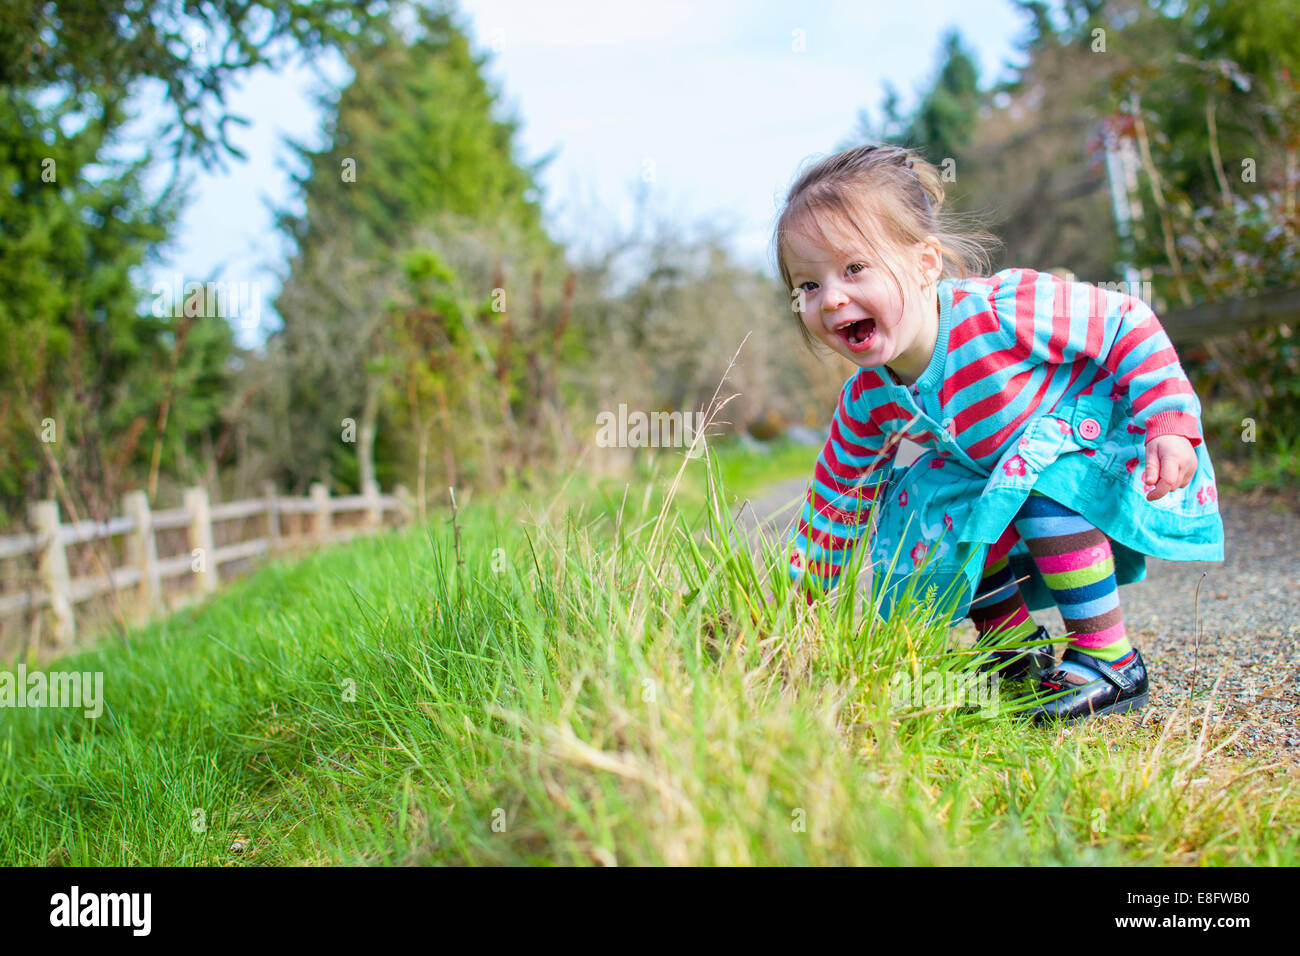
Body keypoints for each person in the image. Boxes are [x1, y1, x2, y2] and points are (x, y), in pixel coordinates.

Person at [775, 143, 1225, 723]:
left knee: (1040, 484)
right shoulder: (868, 401)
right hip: (1004, 477)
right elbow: (835, 505)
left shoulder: (1003, 311)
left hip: (1090, 449)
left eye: (854, 268)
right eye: (807, 286)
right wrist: (797, 611)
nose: (831, 298)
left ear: (925, 263)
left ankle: (1110, 658)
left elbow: (1125, 322)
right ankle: (1016, 658)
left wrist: (1169, 421)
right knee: (934, 511)